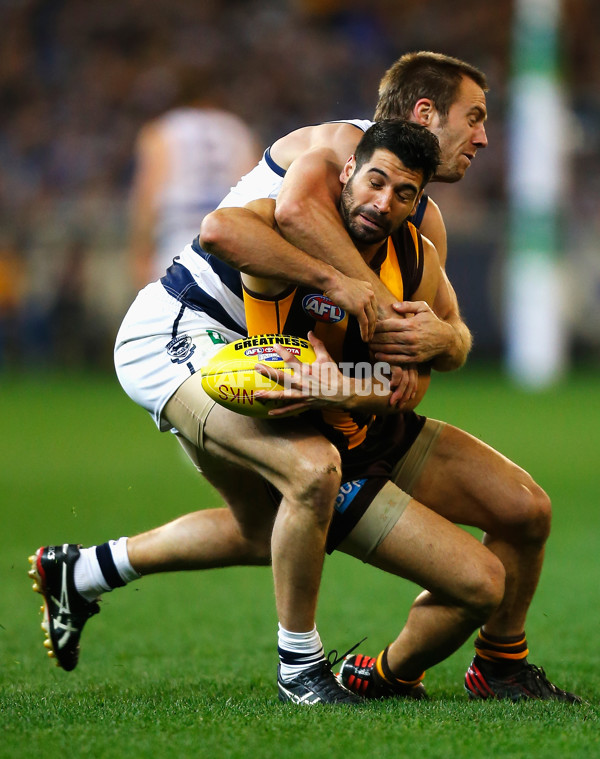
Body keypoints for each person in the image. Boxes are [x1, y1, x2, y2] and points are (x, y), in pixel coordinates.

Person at [29, 53, 578, 703]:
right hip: (190, 330)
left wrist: (439, 341)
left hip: (324, 388)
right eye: (475, 118)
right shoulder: (334, 151)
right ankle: (302, 669)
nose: (485, 137)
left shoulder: (422, 230)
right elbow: (254, 225)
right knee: (311, 471)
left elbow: (435, 346)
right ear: (424, 116)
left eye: (400, 191)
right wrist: (347, 288)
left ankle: (86, 569)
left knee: (275, 528)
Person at [129, 66, 260, 289]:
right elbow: (258, 198)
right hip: (230, 243)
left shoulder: (162, 130)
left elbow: (147, 197)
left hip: (176, 243)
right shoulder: (238, 131)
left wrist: (139, 252)